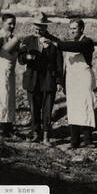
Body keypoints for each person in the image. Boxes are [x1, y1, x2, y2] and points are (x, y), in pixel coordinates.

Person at [43, 19, 96, 149]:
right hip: (72, 79)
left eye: (75, 28)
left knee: (86, 107)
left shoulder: (87, 42)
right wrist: (47, 35)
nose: (72, 31)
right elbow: (65, 65)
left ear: (82, 29)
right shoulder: (68, 44)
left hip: (83, 78)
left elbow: (75, 47)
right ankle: (75, 141)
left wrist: (57, 43)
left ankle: (88, 140)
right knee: (73, 108)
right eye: (71, 28)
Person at [18, 13, 63, 145]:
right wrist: (27, 57)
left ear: (45, 27)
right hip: (32, 79)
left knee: (47, 109)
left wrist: (59, 81)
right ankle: (36, 133)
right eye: (36, 27)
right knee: (34, 108)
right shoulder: (27, 40)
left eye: (40, 27)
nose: (37, 30)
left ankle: (46, 136)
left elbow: (59, 63)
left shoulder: (54, 41)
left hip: (49, 80)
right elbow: (20, 59)